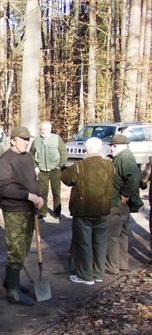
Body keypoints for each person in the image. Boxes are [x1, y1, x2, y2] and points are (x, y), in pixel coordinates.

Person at [0, 126, 44, 307]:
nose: (26, 142)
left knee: (23, 248)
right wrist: (28, 196)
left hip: (29, 209)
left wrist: (39, 197)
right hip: (14, 211)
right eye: (23, 139)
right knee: (16, 249)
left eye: (28, 139)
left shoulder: (28, 157)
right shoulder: (5, 161)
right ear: (12, 140)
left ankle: (11, 281)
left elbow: (33, 180)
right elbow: (2, 187)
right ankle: (13, 293)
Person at [61, 137, 114, 285]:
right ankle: (98, 273)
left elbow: (65, 179)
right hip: (103, 210)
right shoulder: (110, 165)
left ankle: (85, 276)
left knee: (84, 243)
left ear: (86, 149)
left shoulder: (79, 166)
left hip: (83, 211)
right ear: (100, 149)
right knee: (100, 243)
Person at [105, 134, 143, 274]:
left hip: (118, 203)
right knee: (122, 234)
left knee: (112, 236)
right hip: (122, 204)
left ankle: (112, 267)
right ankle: (122, 264)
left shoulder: (124, 158)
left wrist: (126, 194)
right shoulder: (123, 157)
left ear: (124, 146)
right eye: (111, 146)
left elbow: (134, 178)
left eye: (114, 146)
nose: (112, 148)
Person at [30, 121, 68, 218]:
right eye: (41, 129)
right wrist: (35, 166)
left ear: (50, 130)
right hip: (42, 170)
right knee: (42, 193)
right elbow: (31, 154)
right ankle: (42, 213)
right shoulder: (36, 140)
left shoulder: (57, 139)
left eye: (45, 129)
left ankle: (57, 213)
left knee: (56, 192)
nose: (43, 131)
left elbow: (64, 154)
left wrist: (59, 165)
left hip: (55, 169)